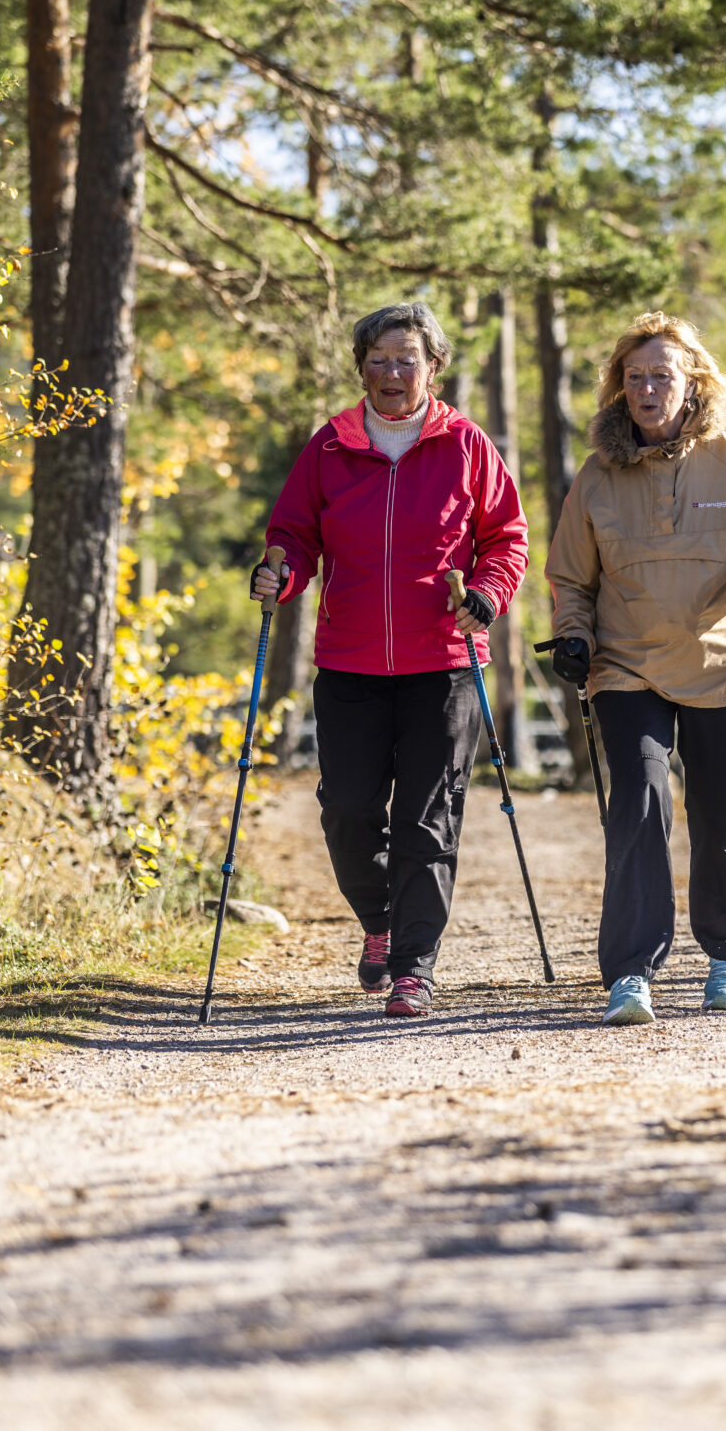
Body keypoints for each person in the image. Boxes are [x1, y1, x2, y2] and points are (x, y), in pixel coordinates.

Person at [253, 302, 529, 1019]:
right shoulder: (331, 447)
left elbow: (506, 537)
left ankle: (413, 967)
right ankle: (379, 923)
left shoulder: (467, 445)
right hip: (349, 665)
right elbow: (294, 534)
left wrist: (490, 595)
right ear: (362, 368)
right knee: (346, 811)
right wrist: (281, 575)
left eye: (406, 359)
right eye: (378, 360)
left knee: (427, 820)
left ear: (433, 367)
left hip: (443, 661)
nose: (392, 373)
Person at [545, 311, 726, 1024]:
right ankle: (630, 973)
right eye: (635, 378)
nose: (648, 389)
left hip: (723, 666)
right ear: (619, 391)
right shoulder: (598, 475)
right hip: (626, 666)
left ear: (693, 383)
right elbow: (571, 579)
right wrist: (572, 637)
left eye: (662, 375)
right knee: (639, 805)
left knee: (721, 816)